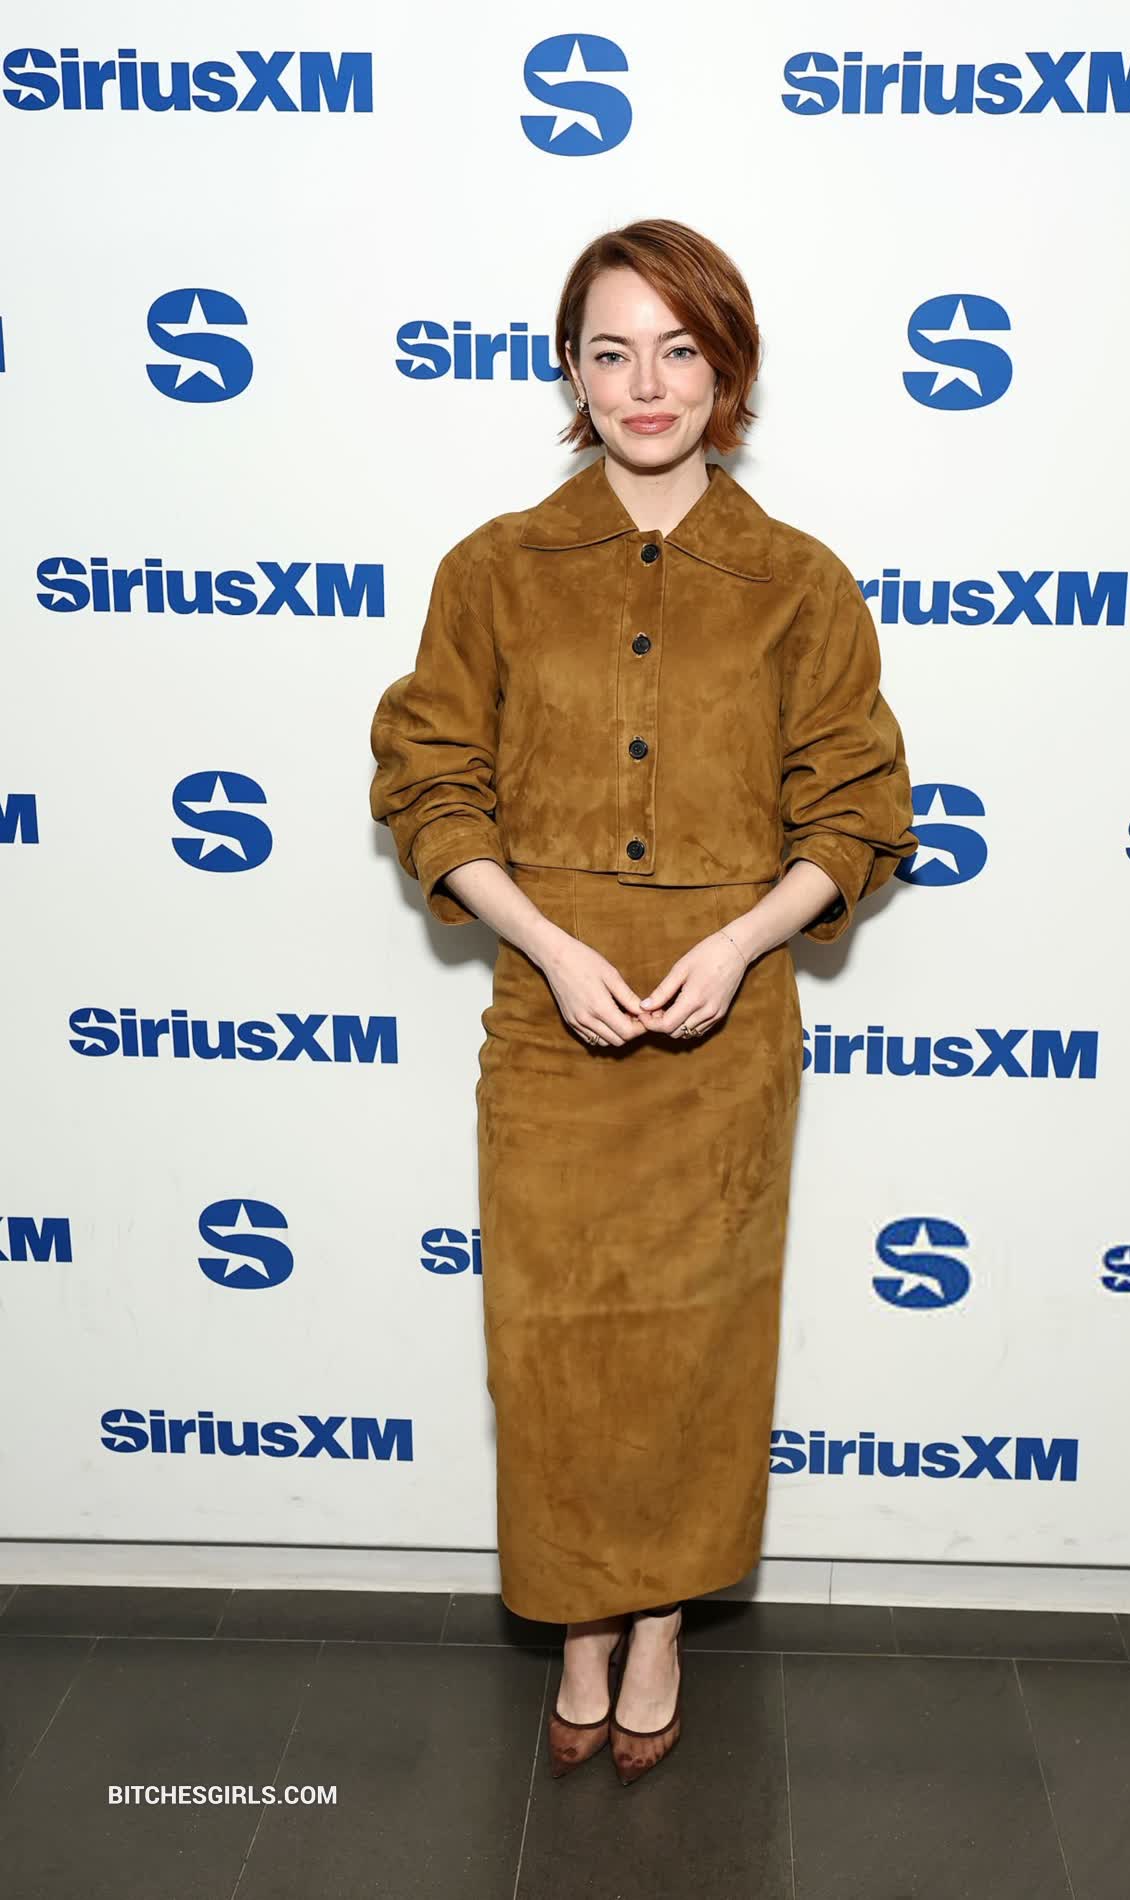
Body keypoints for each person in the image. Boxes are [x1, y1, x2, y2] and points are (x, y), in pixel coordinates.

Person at [368, 218, 918, 1784]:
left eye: (680, 349)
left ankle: (660, 1625)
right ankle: (580, 1627)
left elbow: (858, 809)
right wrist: (548, 946)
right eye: (612, 351)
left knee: (694, 1351)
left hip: (726, 1040)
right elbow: (428, 781)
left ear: (728, 369)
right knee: (550, 1351)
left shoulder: (800, 583)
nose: (647, 383)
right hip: (550, 1030)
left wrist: (742, 944)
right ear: (571, 370)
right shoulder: (493, 570)